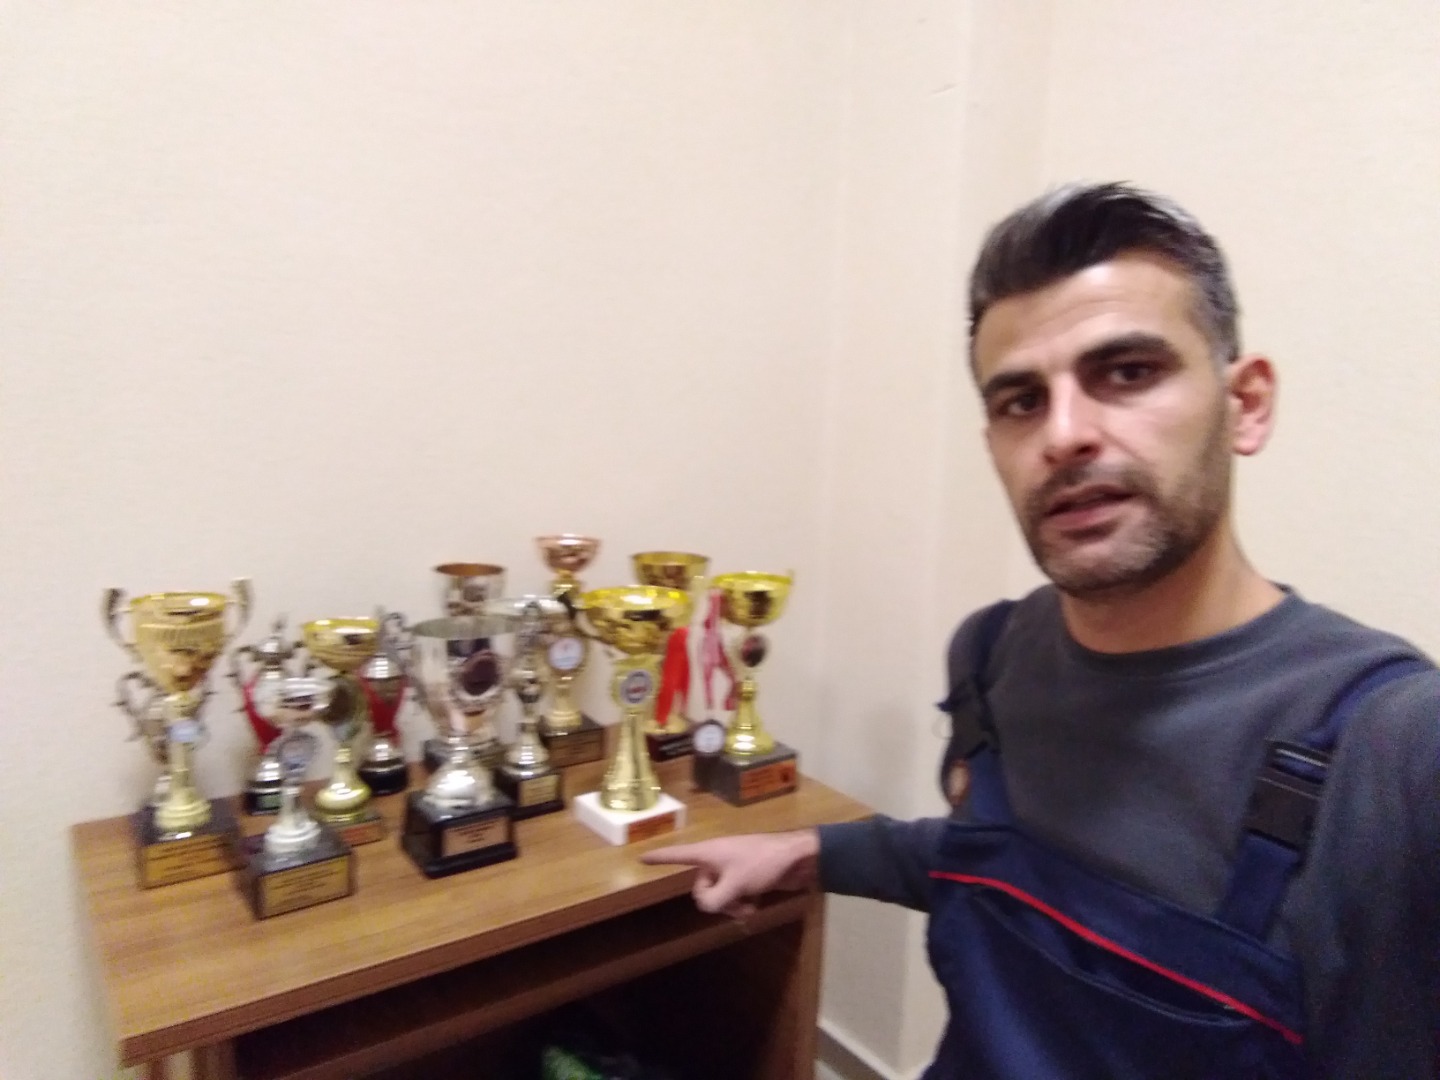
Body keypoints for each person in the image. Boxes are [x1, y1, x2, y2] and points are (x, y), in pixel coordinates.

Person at [642, 183, 1439, 1079]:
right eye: (1021, 401)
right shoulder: (992, 654)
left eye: (1127, 373)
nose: (1064, 435)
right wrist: (810, 850)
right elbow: (1001, 862)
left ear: (1245, 405)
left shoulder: (1394, 750)